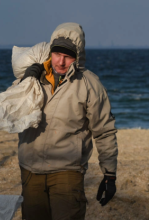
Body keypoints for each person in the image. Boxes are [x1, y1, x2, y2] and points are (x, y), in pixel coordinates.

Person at [18, 22, 118, 220]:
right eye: (57, 54)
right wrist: (25, 81)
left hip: (67, 172)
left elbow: (104, 130)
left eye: (68, 56)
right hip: (30, 170)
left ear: (78, 56)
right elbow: (12, 109)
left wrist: (109, 174)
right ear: (50, 52)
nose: (61, 62)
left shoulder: (90, 84)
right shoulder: (35, 76)